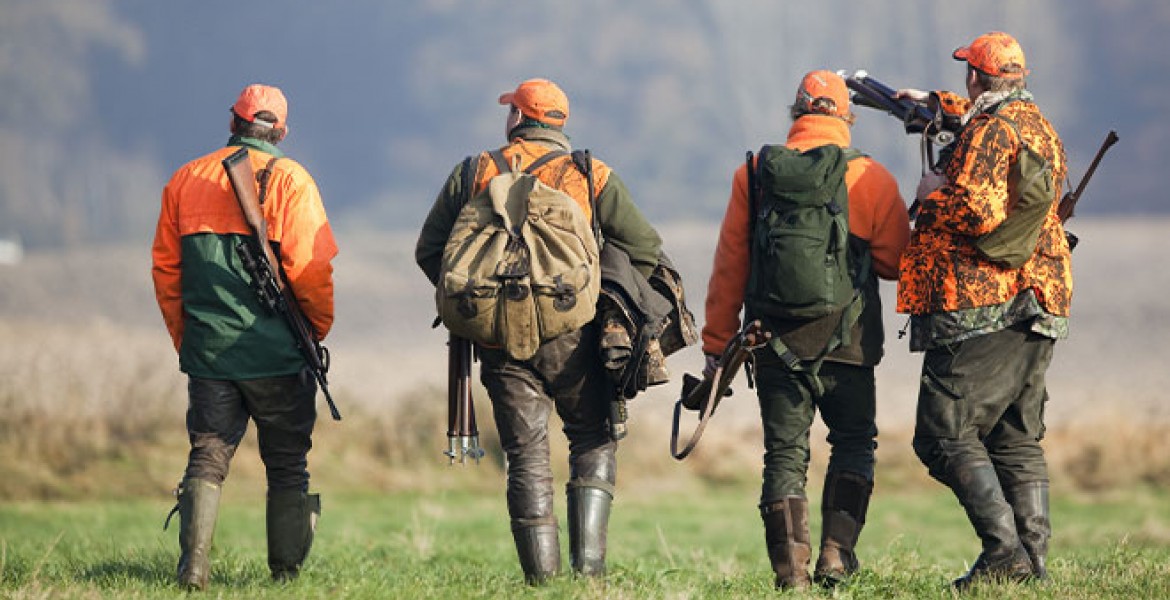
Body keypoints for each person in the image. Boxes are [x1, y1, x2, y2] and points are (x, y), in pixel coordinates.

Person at [415, 78, 662, 584]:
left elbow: (430, 252)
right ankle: (588, 574)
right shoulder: (591, 174)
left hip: (497, 342)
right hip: (577, 337)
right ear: (559, 123)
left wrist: (479, 305)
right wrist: (600, 292)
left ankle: (541, 582)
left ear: (517, 119)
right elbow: (645, 246)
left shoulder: (473, 172)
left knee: (525, 455)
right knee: (592, 438)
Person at [702, 70, 910, 589]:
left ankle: (791, 573)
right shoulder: (871, 178)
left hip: (773, 344)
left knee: (784, 454)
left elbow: (731, 263)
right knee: (854, 442)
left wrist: (713, 346)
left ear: (796, 114)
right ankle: (836, 557)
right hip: (851, 343)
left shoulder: (751, 175)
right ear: (847, 117)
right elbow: (895, 264)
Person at [895, 32, 1070, 588]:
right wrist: (925, 103)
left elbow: (977, 205)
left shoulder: (991, 131)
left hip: (983, 304)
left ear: (978, 76)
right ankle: (1032, 564)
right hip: (1042, 300)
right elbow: (975, 131)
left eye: (967, 72)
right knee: (1014, 435)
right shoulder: (1037, 125)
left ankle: (1003, 553)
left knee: (943, 432)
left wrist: (930, 193)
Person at [151, 83, 338, 590]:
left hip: (210, 353)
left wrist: (189, 340)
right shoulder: (293, 181)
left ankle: (192, 567)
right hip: (278, 353)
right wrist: (312, 333)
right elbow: (312, 271)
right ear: (280, 131)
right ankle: (285, 574)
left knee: (208, 454)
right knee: (286, 463)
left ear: (232, 122)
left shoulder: (185, 179)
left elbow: (167, 273)